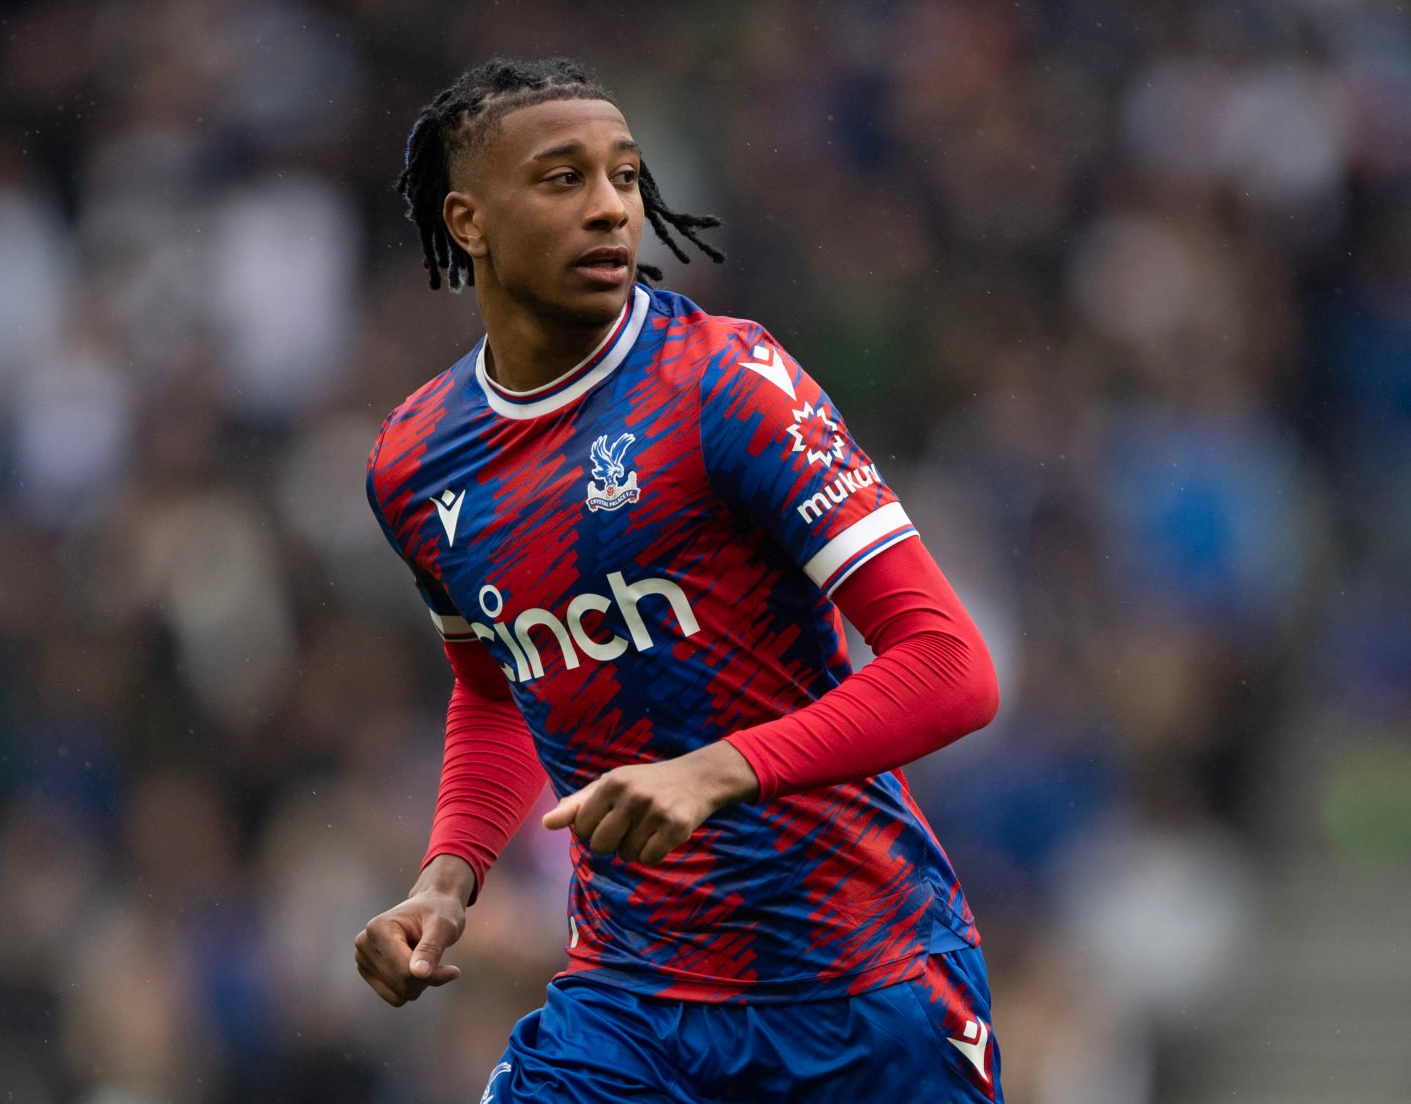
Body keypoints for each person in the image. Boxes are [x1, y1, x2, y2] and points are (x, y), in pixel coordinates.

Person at [356, 56, 1004, 1103]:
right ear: (467, 221)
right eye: (564, 180)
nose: (612, 208)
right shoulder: (417, 461)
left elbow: (952, 668)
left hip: (862, 986)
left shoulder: (724, 384)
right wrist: (449, 877)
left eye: (626, 176)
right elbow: (497, 690)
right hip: (632, 1008)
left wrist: (713, 771)